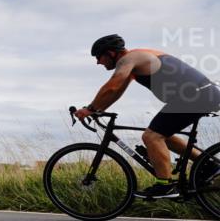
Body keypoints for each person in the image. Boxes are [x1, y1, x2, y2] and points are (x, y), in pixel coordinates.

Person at [76, 34, 220, 198]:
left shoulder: (129, 59)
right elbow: (116, 92)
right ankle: (208, 166)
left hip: (195, 95)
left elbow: (112, 85)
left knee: (152, 136)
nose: (97, 62)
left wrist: (90, 108)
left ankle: (165, 185)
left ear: (110, 53)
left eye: (98, 57)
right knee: (164, 136)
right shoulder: (136, 60)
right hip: (201, 94)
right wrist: (98, 110)